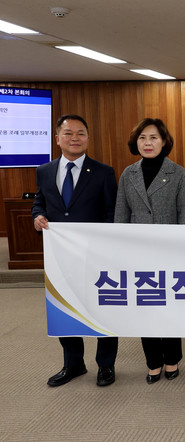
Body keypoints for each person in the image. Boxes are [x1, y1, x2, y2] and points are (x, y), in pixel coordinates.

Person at [33, 114, 119, 387]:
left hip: (96, 257)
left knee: (103, 308)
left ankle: (106, 365)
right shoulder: (44, 171)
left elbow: (112, 213)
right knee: (64, 308)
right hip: (60, 256)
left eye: (81, 133)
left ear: (88, 138)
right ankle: (73, 364)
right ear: (57, 138)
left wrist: (102, 244)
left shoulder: (103, 172)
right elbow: (40, 203)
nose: (75, 138)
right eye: (68, 133)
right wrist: (37, 216)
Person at [114, 118, 185, 383]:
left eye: (153, 137)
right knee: (145, 307)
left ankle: (172, 359)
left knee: (169, 307)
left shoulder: (177, 173)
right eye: (142, 138)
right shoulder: (128, 174)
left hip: (169, 252)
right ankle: (153, 362)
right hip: (137, 253)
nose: (147, 143)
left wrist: (181, 252)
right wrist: (121, 251)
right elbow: (121, 216)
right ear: (136, 142)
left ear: (164, 141)